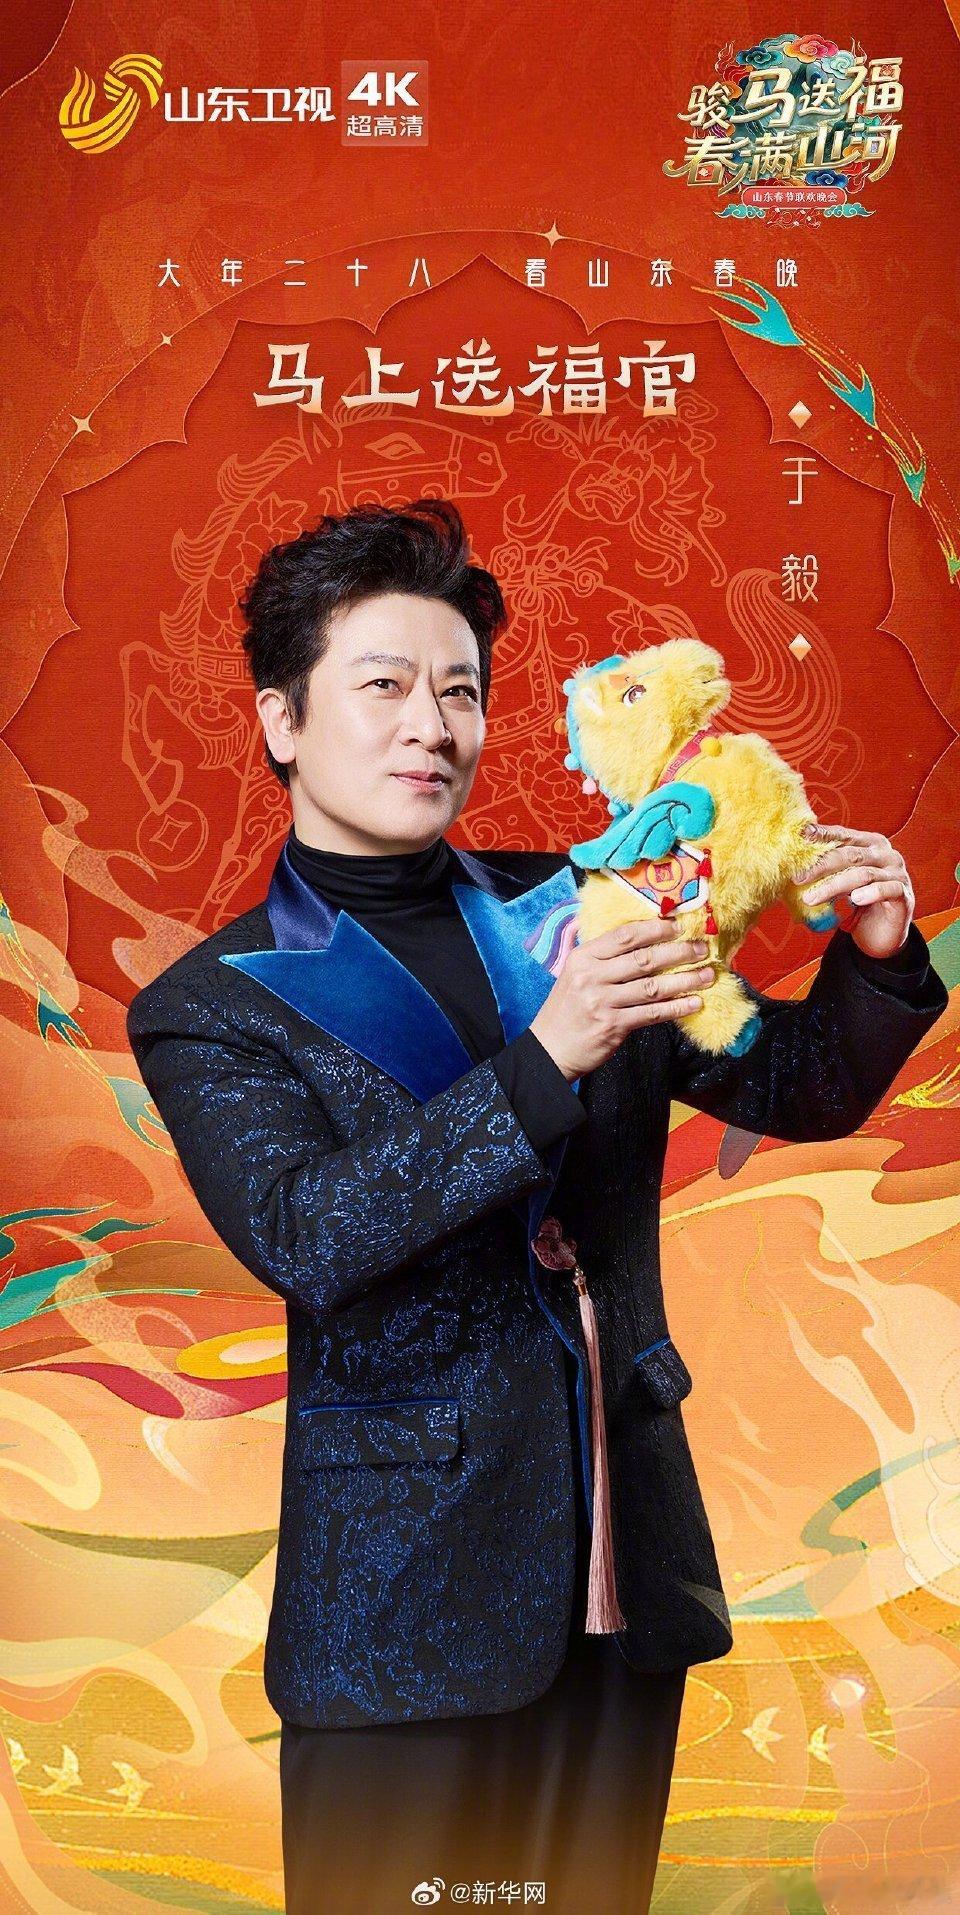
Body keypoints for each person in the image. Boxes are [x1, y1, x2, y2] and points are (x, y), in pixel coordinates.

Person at [126, 497, 948, 1914]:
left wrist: (876, 956)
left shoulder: (584, 901)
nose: (429, 727)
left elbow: (790, 1086)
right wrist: (549, 1055)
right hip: (404, 1603)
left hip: (623, 1554)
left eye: (459, 692)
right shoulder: (214, 1004)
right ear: (282, 720)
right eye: (385, 685)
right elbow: (311, 1233)